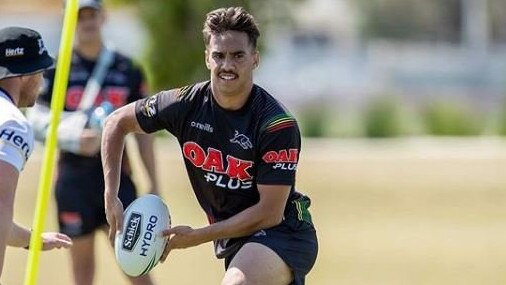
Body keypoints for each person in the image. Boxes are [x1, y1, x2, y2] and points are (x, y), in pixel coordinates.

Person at [103, 6, 318, 285]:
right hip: (236, 240)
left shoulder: (275, 124)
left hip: (284, 232)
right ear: (207, 58)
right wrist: (111, 196)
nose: (227, 65)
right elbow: (115, 123)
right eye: (219, 55)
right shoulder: (185, 105)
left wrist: (196, 237)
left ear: (255, 58)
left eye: (238, 55)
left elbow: (270, 212)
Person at [27, 0, 159, 284]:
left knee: (137, 266)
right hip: (73, 183)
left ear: (103, 17)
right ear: (69, 21)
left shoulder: (128, 69)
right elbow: (37, 120)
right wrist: (73, 137)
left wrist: (154, 181)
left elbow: (144, 133)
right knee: (82, 272)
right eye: (79, 16)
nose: (86, 22)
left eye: (92, 15)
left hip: (120, 181)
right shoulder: (53, 69)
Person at [0, 26, 73, 279]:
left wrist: (32, 240)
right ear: (23, 74)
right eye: (40, 70)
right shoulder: (11, 122)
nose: (42, 81)